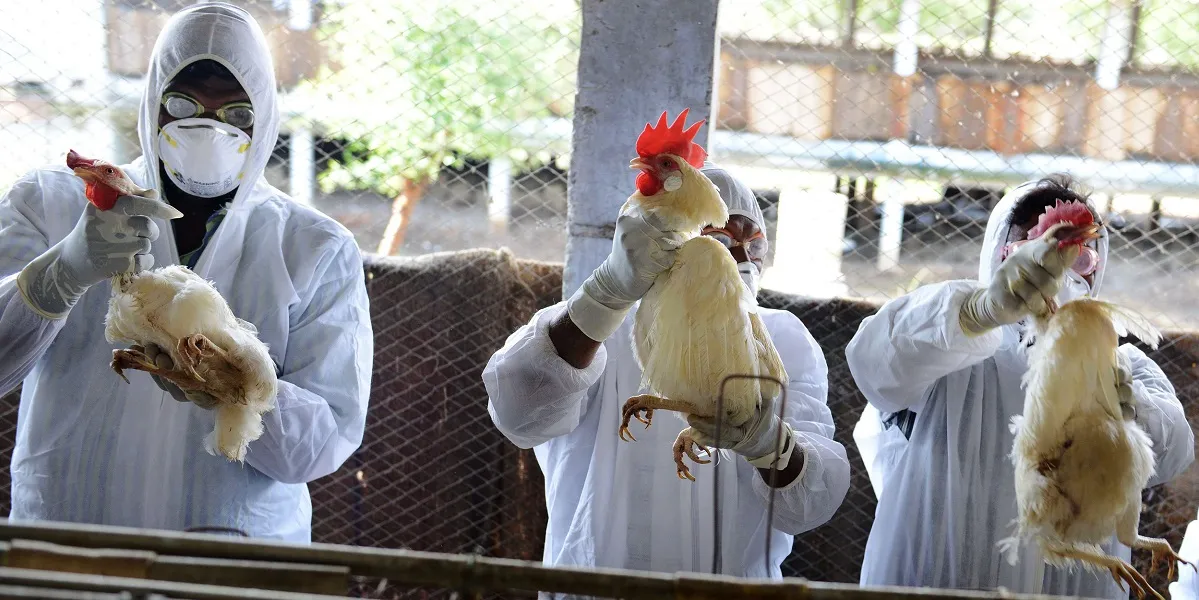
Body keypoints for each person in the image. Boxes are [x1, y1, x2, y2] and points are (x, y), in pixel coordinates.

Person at [0, 2, 372, 542]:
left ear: (264, 116)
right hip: (70, 539)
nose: (207, 128)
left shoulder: (313, 247)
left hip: (229, 560)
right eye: (183, 103)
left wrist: (240, 387)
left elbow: (321, 446)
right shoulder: (49, 204)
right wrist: (63, 270)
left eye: (236, 114)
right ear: (151, 103)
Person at [482, 164, 850, 581]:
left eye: (755, 244)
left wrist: (769, 443)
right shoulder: (591, 329)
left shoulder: (783, 337)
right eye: (723, 241)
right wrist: (605, 296)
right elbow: (517, 413)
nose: (743, 260)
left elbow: (811, 504)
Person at [847, 175, 1194, 597]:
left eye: (1085, 254)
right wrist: (977, 311)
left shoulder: (1121, 364)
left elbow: (1174, 451)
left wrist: (1127, 409)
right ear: (1002, 255)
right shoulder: (949, 336)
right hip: (940, 573)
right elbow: (873, 363)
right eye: (1035, 243)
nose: (1066, 266)